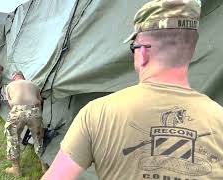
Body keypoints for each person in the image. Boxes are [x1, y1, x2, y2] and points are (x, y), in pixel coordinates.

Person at [42, 0, 223, 179]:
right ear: (190, 51)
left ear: (142, 53)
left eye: (133, 47)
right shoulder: (219, 119)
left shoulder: (96, 114)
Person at [4, 71, 48, 177]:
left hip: (17, 111)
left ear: (14, 78)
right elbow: (40, 101)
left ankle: (16, 170)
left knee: (12, 138)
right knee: (39, 139)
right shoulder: (34, 85)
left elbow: (10, 104)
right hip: (35, 111)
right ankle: (44, 167)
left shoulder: (9, 86)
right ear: (24, 77)